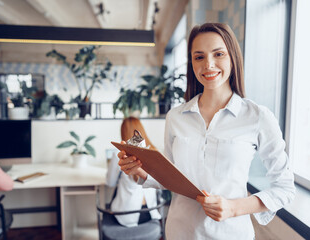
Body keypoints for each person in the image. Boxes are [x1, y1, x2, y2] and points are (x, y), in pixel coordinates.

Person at [118, 23, 295, 239]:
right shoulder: (175, 117)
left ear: (232, 57)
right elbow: (172, 177)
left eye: (218, 54)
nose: (208, 65)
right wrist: (140, 172)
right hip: (179, 232)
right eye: (199, 57)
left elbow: (285, 188)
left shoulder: (257, 116)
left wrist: (233, 208)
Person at [107, 117, 161, 227]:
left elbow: (110, 182)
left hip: (126, 216)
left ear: (123, 132)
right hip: (151, 213)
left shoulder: (120, 156)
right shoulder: (154, 152)